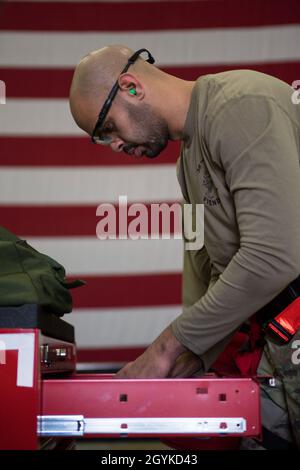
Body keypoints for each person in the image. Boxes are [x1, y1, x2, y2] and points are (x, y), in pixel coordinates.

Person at [69, 45, 300, 449]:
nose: (115, 146)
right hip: (278, 339)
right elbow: (213, 269)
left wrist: (167, 347)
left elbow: (272, 258)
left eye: (107, 129)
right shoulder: (187, 162)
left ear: (130, 87)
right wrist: (194, 357)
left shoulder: (242, 104)